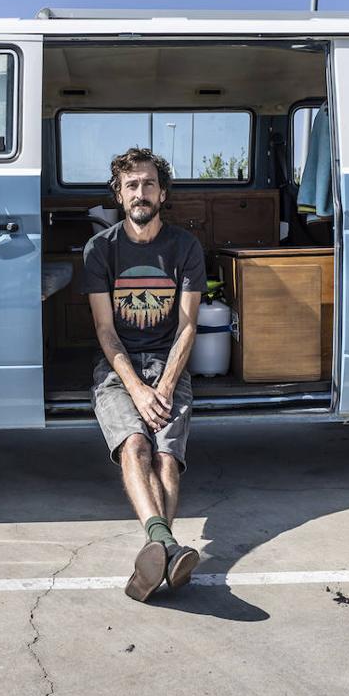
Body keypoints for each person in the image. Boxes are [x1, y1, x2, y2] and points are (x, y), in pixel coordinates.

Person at [82, 147, 207, 602]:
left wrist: (166, 385)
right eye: (131, 184)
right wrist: (136, 388)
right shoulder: (101, 249)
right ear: (119, 194)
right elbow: (104, 329)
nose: (141, 192)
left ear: (163, 192)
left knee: (167, 458)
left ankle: (157, 553)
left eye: (149, 183)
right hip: (119, 370)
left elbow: (189, 325)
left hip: (168, 365)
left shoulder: (185, 248)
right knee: (136, 444)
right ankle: (168, 549)